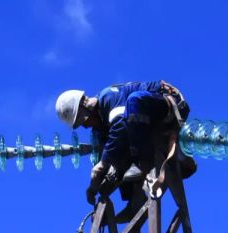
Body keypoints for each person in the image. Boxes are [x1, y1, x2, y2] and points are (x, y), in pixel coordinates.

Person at [55, 81, 196, 205]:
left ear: (87, 107)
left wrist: (103, 163)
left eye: (83, 121)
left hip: (169, 104)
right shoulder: (99, 129)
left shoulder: (109, 98)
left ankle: (142, 163)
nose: (85, 126)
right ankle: (133, 201)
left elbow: (121, 125)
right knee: (116, 152)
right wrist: (94, 187)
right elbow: (104, 159)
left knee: (133, 103)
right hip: (144, 121)